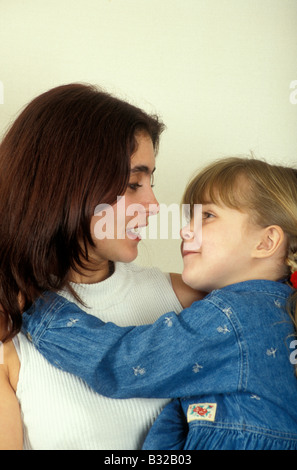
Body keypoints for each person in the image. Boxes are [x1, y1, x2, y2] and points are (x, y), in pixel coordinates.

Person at [22, 157, 297, 450]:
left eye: (207, 216)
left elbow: (124, 362)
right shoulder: (277, 314)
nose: (185, 231)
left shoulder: (234, 317)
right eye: (190, 218)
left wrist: (34, 306)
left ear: (266, 242)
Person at [0, 83, 201, 450]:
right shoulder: (9, 329)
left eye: (150, 182)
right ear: (65, 186)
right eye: (132, 183)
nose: (154, 204)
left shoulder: (189, 301)